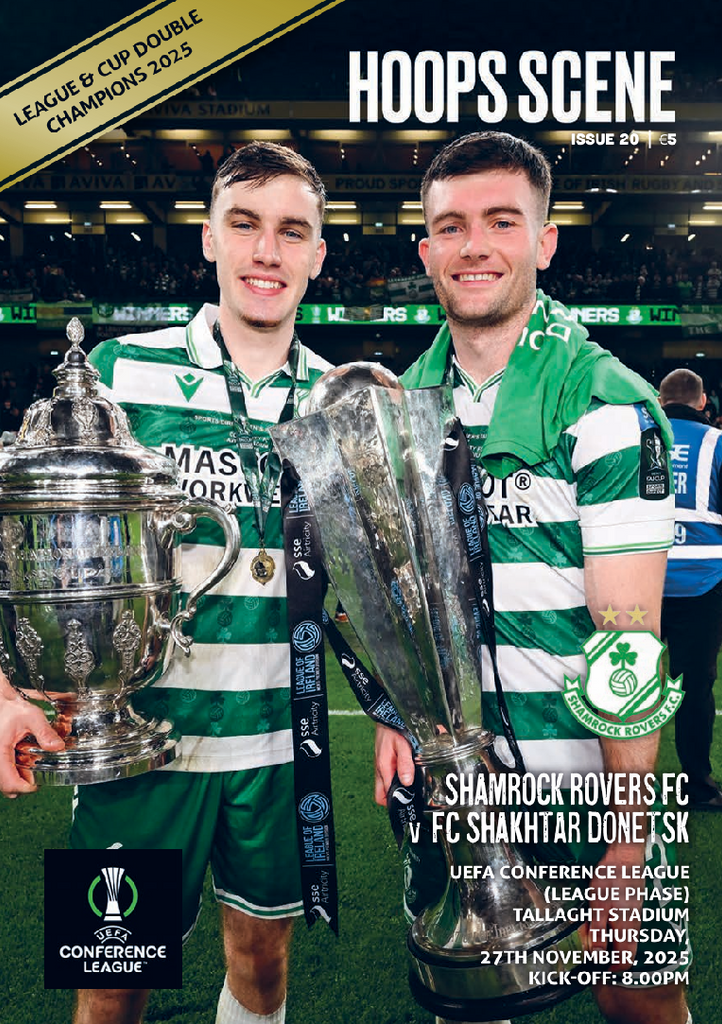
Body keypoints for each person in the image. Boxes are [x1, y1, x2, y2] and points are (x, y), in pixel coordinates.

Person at [0, 141, 330, 1024]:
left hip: (278, 747)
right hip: (141, 745)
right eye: (245, 225)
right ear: (210, 239)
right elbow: (15, 531)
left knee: (262, 961)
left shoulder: (340, 400)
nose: (266, 251)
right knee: (112, 984)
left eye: (290, 231)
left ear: (317, 253)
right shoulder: (118, 375)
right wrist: (4, 688)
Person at [375, 132, 691, 1024]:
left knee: (641, 1001)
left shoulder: (607, 400)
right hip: (460, 799)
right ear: (426, 249)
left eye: (502, 221)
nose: (474, 246)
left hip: (587, 793)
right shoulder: (401, 404)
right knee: (471, 1004)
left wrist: (629, 839)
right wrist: (396, 711)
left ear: (545, 242)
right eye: (451, 226)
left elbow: (627, 640)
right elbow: (401, 596)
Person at [660, 368, 722, 809]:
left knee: (619, 685)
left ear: (661, 403)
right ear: (703, 402)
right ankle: (698, 786)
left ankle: (614, 786)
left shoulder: (637, 440)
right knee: (695, 689)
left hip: (637, 584)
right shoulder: (718, 443)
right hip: (703, 585)